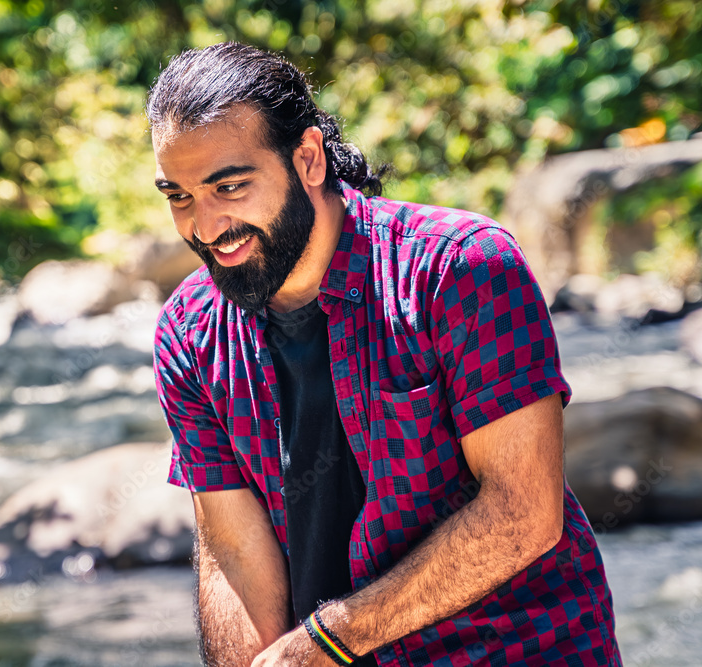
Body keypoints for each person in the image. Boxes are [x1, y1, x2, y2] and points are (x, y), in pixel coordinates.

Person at [148, 42, 621, 667]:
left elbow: (523, 513)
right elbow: (232, 550)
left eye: (229, 186)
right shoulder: (188, 333)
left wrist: (327, 641)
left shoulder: (461, 268)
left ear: (308, 157)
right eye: (178, 196)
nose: (205, 227)